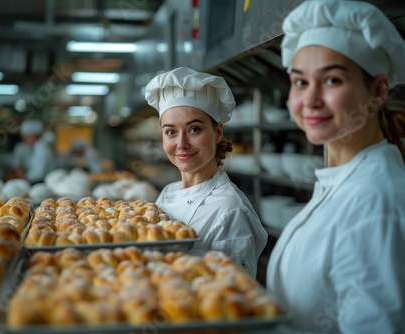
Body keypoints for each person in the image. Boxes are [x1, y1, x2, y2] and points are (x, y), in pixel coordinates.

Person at [266, 1, 405, 333]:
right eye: (300, 82)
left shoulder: (375, 201)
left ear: (379, 90)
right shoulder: (343, 179)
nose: (310, 99)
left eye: (331, 80)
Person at [145, 67, 268, 278]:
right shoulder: (167, 192)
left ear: (218, 132)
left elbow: (232, 299)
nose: (181, 144)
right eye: (171, 132)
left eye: (194, 129)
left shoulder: (230, 210)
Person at [13, 119, 56, 184]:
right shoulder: (38, 146)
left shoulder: (41, 148)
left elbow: (39, 172)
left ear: (33, 135)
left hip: (41, 182)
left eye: (25, 137)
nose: (23, 139)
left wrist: (26, 177)